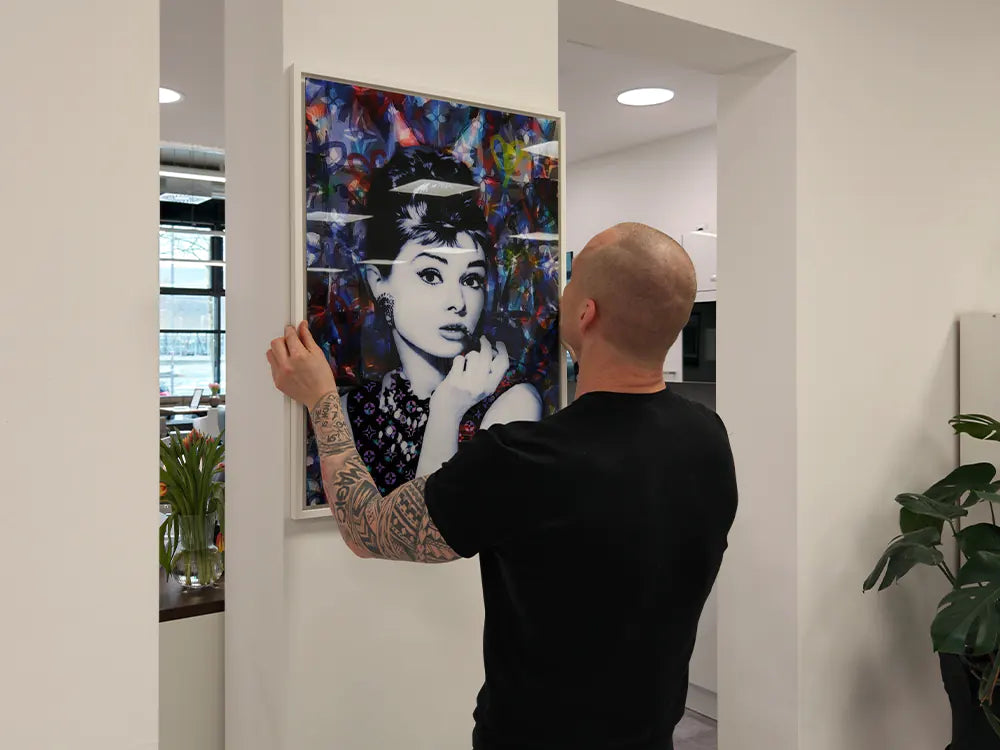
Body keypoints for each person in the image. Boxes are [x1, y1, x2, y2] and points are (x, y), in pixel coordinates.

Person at [268, 222, 738, 750]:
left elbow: (367, 529)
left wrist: (321, 401)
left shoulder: (526, 459)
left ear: (586, 313)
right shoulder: (708, 439)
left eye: (571, 281)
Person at [323, 146, 543, 494]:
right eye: (430, 275)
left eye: (471, 279)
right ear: (378, 283)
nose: (458, 302)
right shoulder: (353, 411)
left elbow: (429, 526)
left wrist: (446, 411)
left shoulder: (513, 404)